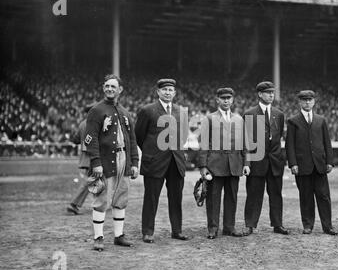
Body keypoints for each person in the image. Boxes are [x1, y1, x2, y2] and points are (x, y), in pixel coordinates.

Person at [84, 74, 139, 251]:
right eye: (107, 86)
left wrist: (134, 163)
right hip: (104, 160)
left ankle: (118, 236)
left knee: (121, 198)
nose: (109, 89)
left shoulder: (125, 112)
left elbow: (132, 139)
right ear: (103, 88)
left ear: (120, 90)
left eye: (113, 87)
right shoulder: (96, 110)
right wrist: (96, 162)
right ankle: (98, 237)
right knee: (101, 198)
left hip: (124, 158)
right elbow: (89, 138)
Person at [135, 78, 189, 243]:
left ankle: (177, 230)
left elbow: (184, 135)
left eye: (170, 90)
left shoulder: (182, 111)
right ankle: (148, 231)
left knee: (176, 198)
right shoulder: (148, 110)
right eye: (164, 89)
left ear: (175, 93)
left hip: (176, 161)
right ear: (158, 92)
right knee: (151, 197)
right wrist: (153, 152)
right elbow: (139, 136)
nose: (167, 92)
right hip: (155, 162)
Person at [198, 87, 250, 239]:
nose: (226, 101)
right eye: (223, 98)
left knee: (232, 197)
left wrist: (246, 163)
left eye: (229, 98)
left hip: (234, 164)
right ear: (217, 100)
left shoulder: (239, 119)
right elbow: (204, 143)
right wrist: (203, 166)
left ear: (232, 100)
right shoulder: (209, 118)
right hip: (215, 166)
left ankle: (229, 227)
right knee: (213, 198)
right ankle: (213, 228)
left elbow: (245, 144)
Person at [285, 90, 337, 235]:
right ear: (299, 102)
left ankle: (328, 226)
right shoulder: (293, 121)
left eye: (310, 100)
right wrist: (293, 164)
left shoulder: (321, 120)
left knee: (324, 196)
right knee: (306, 196)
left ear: (314, 101)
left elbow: (327, 142)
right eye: (304, 100)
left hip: (319, 165)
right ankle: (308, 225)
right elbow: (290, 145)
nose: (307, 102)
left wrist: (330, 161)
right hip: (302, 166)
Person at [242, 81, 289, 236]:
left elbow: (279, 137)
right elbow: (246, 141)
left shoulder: (279, 114)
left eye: (272, 92)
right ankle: (250, 224)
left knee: (276, 194)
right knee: (254, 194)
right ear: (259, 94)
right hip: (257, 161)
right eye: (267, 92)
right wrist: (247, 162)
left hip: (275, 161)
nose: (271, 95)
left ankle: (277, 224)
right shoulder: (249, 114)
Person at [67, 102, 96, 215]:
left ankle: (101, 203)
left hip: (85, 157)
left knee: (96, 181)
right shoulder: (94, 124)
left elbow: (75, 140)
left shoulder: (82, 124)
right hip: (93, 157)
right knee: (89, 182)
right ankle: (73, 204)